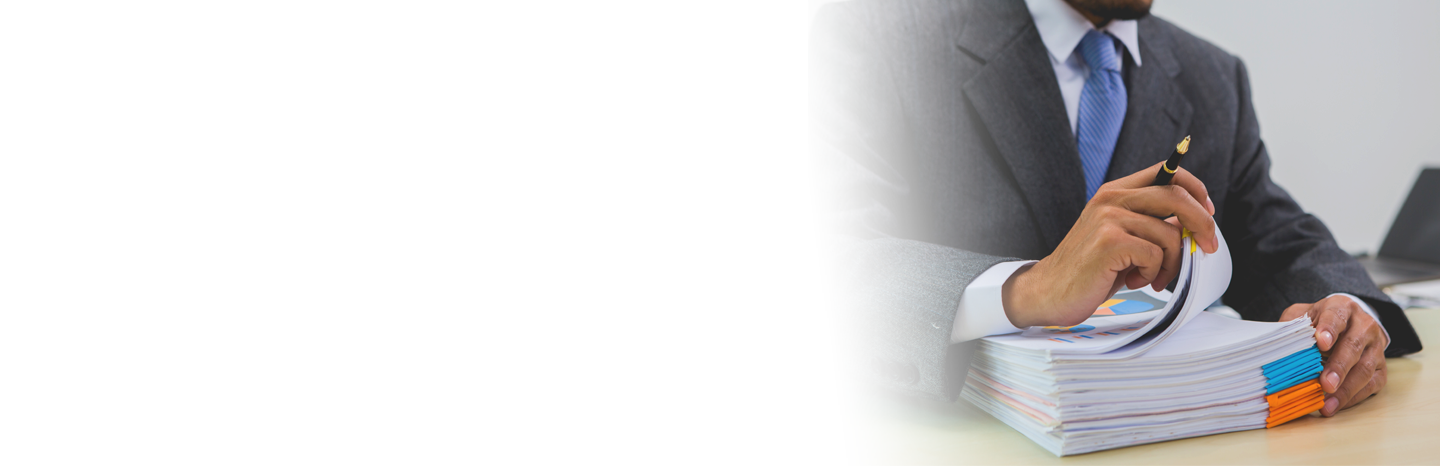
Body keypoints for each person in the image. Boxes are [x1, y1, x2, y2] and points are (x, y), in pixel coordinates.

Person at [809, 0, 1423, 418]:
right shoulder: (877, 39)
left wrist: (1352, 313)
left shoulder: (1213, 77)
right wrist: (1026, 288)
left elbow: (1274, 234)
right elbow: (825, 263)